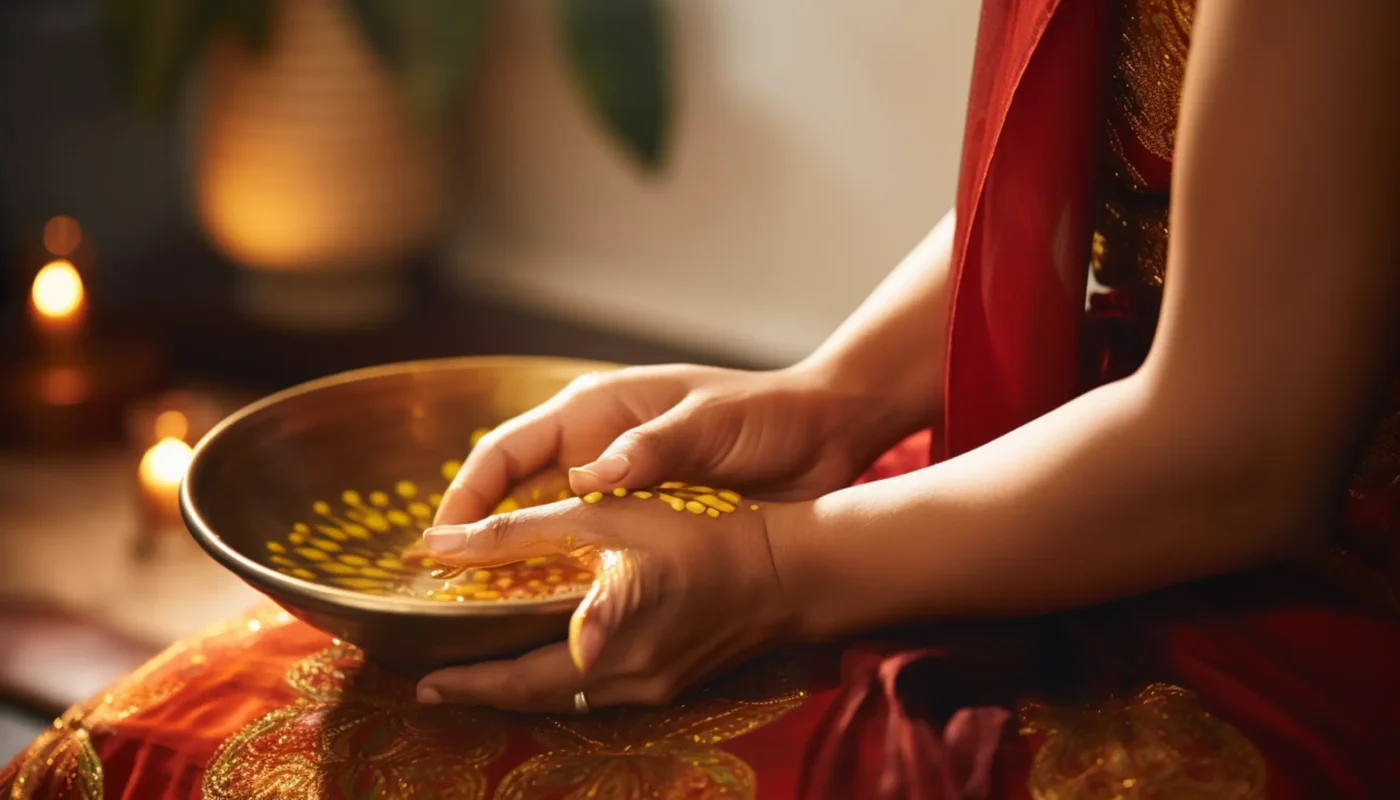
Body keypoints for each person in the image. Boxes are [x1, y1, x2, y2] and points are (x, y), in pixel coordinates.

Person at [415, 0, 1400, 796]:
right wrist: (834, 394)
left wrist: (773, 569)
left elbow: (1246, 454)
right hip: (1130, 432)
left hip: (1317, 561)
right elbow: (1132, 154)